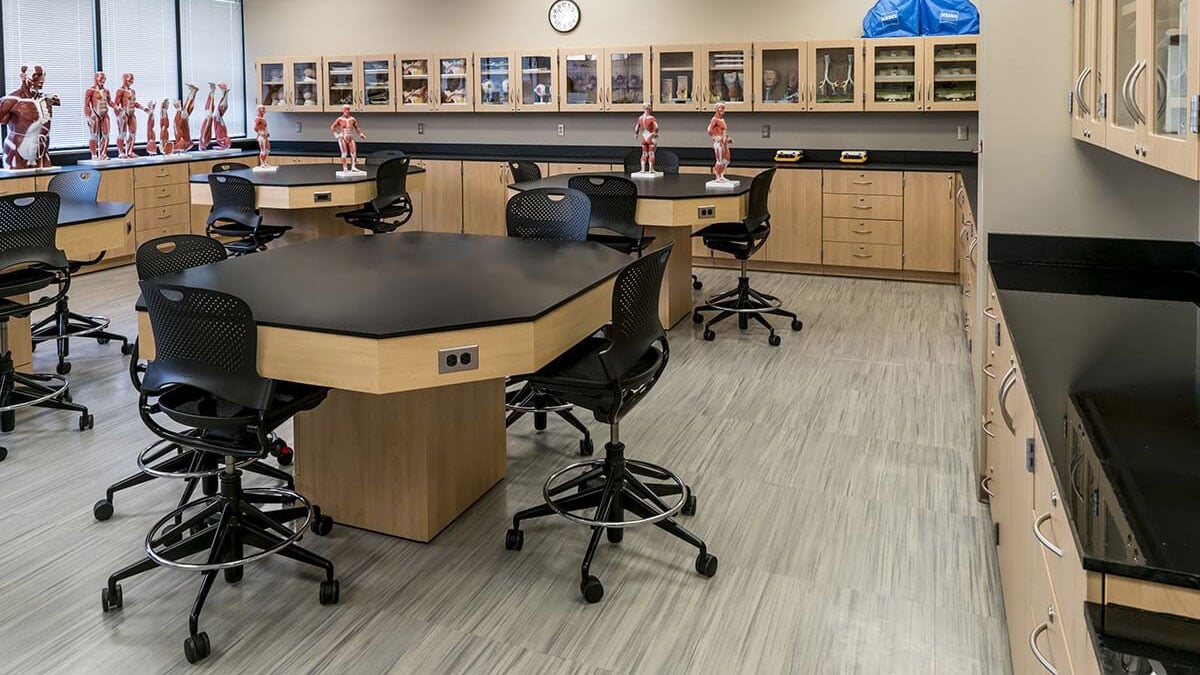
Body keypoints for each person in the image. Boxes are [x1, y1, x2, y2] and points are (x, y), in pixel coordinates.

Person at [0, 64, 60, 169]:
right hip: (17, 149)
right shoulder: (12, 100)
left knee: (47, 182)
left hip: (41, 150)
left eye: (43, 76)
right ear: (24, 77)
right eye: (36, 76)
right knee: (19, 183)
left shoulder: (46, 99)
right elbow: (3, 121)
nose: (41, 79)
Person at [113, 72, 147, 159]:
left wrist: (143, 108)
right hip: (124, 113)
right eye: (129, 79)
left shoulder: (132, 91)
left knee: (133, 133)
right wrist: (119, 115)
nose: (131, 81)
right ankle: (121, 152)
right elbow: (115, 104)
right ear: (124, 79)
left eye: (132, 79)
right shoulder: (120, 91)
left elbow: (134, 103)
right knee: (122, 133)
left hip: (132, 113)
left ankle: (130, 151)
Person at [84, 71, 113, 160]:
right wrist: (88, 116)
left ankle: (103, 153)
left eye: (104, 79)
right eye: (101, 79)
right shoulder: (90, 90)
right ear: (96, 78)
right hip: (95, 114)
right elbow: (86, 105)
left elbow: (109, 101)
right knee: (94, 135)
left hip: (105, 113)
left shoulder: (106, 91)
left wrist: (116, 107)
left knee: (106, 135)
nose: (103, 81)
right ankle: (94, 154)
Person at [330, 104, 366, 172]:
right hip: (342, 138)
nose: (347, 111)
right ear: (343, 110)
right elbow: (332, 127)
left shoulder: (352, 119)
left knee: (353, 152)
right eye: (345, 109)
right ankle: (345, 168)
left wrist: (361, 134)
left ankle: (353, 167)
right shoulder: (340, 119)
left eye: (348, 109)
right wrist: (336, 135)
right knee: (344, 153)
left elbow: (357, 127)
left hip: (350, 137)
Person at [707, 102, 732, 183]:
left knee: (727, 160)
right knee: (719, 160)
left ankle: (722, 175)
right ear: (716, 109)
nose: (722, 110)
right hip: (718, 143)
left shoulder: (722, 120)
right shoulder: (714, 120)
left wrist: (727, 138)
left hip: (724, 142)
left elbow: (723, 131)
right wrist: (715, 137)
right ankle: (718, 176)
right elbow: (709, 130)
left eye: (723, 108)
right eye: (721, 108)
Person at [633, 102, 659, 174]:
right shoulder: (651, 118)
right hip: (650, 136)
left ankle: (643, 169)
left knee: (644, 153)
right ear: (650, 108)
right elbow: (656, 126)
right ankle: (651, 169)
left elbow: (636, 127)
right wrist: (655, 133)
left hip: (644, 136)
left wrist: (636, 134)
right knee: (651, 153)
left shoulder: (640, 118)